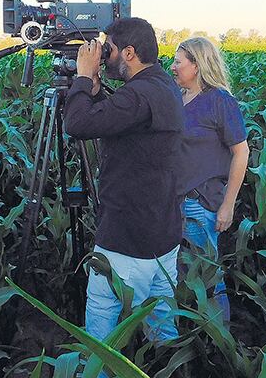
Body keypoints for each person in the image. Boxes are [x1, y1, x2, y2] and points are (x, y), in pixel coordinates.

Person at [63, 17, 184, 345]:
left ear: (129, 53)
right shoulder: (161, 85)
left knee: (103, 316)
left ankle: (98, 375)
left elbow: (77, 124)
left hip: (127, 239)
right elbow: (119, 119)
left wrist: (83, 78)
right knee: (162, 325)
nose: (104, 55)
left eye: (109, 49)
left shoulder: (138, 95)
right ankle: (167, 371)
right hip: (162, 232)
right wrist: (96, 92)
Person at [170, 37, 249, 321]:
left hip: (199, 204)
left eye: (178, 62)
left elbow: (241, 152)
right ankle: (187, 335)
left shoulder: (220, 101)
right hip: (172, 203)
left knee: (207, 279)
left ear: (197, 65)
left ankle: (219, 338)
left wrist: (228, 205)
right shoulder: (177, 98)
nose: (173, 67)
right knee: (176, 277)